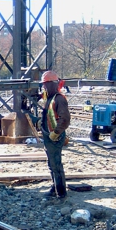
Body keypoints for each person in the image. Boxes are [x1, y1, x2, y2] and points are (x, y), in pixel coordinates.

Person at [40, 70, 71, 199]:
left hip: (55, 137)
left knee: (56, 164)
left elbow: (65, 119)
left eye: (46, 84)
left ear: (53, 84)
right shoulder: (50, 99)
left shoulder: (59, 99)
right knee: (52, 163)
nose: (44, 87)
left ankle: (61, 192)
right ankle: (55, 187)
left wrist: (56, 132)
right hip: (50, 136)